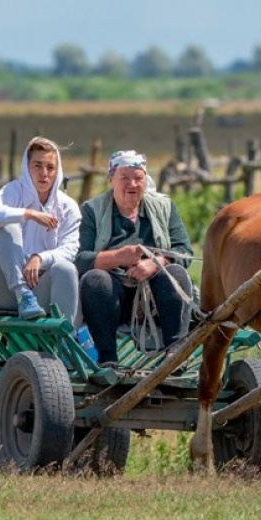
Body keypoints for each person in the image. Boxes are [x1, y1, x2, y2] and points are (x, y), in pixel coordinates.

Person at [76, 150, 194, 366]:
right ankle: (107, 359)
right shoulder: (91, 211)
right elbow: (80, 259)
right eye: (124, 178)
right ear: (111, 180)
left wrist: (155, 263)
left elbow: (184, 251)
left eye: (138, 178)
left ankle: (175, 354)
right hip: (112, 296)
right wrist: (118, 257)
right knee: (95, 280)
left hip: (155, 297)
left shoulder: (164, 207)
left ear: (145, 181)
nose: (132, 184)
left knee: (176, 273)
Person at [0, 136, 81, 321]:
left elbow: (70, 249)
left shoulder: (67, 207)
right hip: (0, 290)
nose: (44, 173)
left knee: (66, 268)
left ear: (57, 171)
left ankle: (65, 341)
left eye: (50, 167)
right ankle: (22, 295)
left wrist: (40, 258)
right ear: (27, 167)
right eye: (37, 165)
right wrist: (28, 214)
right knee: (7, 225)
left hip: (39, 287)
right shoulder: (13, 191)